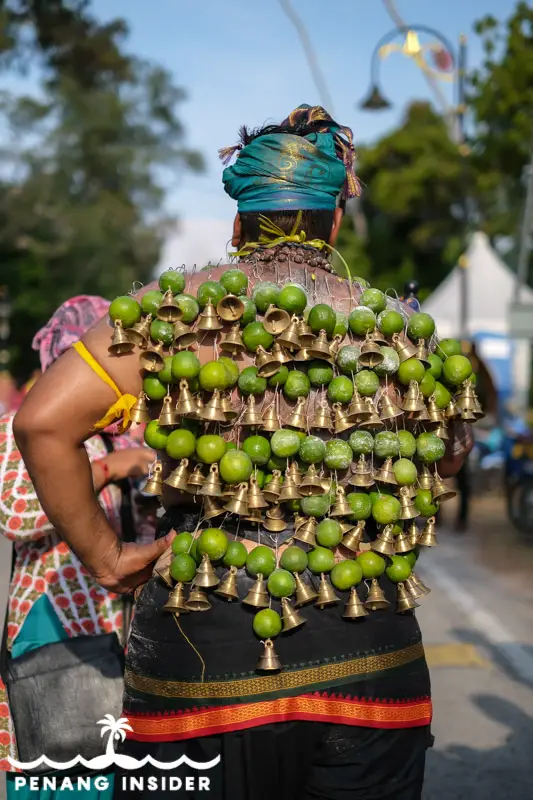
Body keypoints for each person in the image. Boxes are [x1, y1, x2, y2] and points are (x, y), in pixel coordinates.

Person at [13, 107, 473, 800]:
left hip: (202, 651)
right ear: (334, 222)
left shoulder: (165, 314)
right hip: (370, 642)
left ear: (238, 225)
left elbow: (43, 423)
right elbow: (443, 459)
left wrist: (108, 559)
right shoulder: (401, 331)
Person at [0, 296, 155, 798]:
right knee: (53, 761)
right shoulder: (23, 427)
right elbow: (15, 513)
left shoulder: (131, 430)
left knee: (112, 767)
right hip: (54, 624)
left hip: (119, 626)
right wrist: (109, 471)